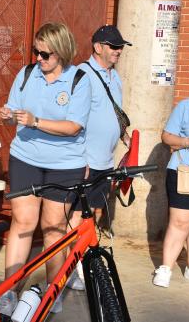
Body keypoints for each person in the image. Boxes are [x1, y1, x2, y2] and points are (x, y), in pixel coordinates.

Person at [0, 22, 91, 316]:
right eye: (35, 52)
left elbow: (73, 127)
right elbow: (16, 115)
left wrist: (36, 121)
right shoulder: (26, 75)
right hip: (26, 158)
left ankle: (54, 289)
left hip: (65, 165)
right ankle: (9, 291)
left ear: (61, 52)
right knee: (23, 223)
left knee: (53, 229)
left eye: (45, 54)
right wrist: (9, 116)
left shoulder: (79, 80)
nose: (38, 58)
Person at [66, 25, 133, 290]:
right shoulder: (82, 75)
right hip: (85, 161)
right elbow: (74, 119)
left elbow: (113, 113)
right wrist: (78, 158)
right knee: (75, 218)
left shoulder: (114, 77)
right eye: (114, 47)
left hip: (105, 161)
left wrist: (123, 135)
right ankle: (69, 270)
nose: (119, 51)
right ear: (98, 47)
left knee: (92, 213)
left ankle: (82, 263)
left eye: (121, 47)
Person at [153, 98, 189, 287]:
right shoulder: (186, 106)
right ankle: (165, 268)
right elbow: (167, 137)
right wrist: (188, 141)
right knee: (181, 221)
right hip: (184, 171)